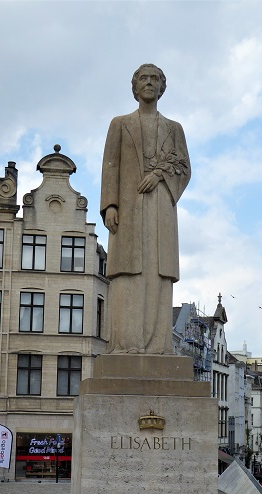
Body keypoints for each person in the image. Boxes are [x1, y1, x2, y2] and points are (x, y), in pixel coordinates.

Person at [101, 64, 191, 354]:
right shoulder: (119, 123)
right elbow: (110, 165)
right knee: (129, 274)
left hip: (161, 209)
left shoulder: (174, 129)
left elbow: (185, 169)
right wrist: (110, 205)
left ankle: (158, 346)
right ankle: (127, 345)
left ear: (162, 87)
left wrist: (160, 175)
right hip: (128, 210)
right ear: (135, 86)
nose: (149, 83)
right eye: (144, 78)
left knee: (157, 273)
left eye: (155, 79)